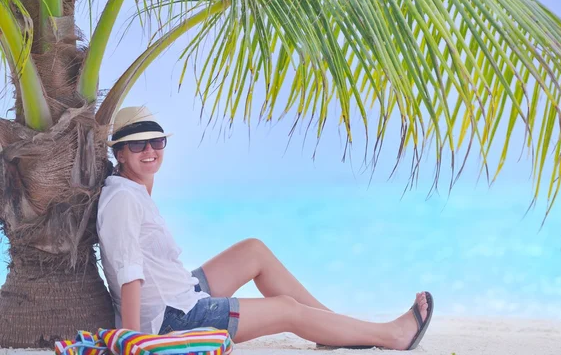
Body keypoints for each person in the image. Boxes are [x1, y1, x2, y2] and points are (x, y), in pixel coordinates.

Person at [97, 106, 434, 351]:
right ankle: (391, 336)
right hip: (172, 317)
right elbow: (129, 273)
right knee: (286, 308)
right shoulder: (124, 199)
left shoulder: (132, 190)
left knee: (253, 250)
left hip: (180, 291)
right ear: (120, 153)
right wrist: (132, 342)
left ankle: (331, 326)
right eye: (138, 145)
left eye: (156, 142)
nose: (150, 151)